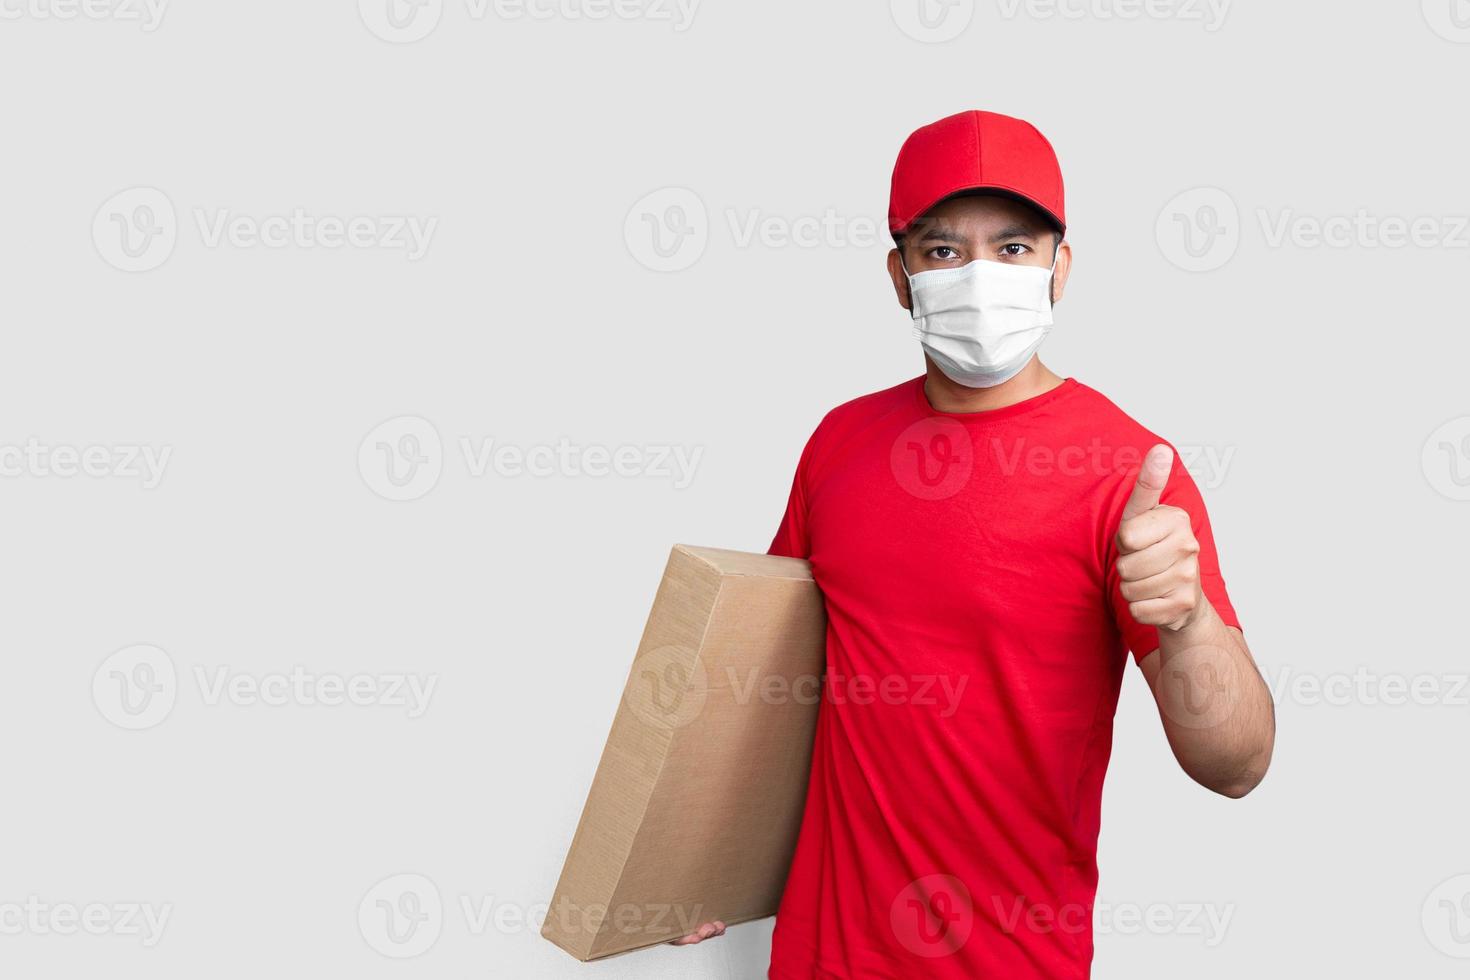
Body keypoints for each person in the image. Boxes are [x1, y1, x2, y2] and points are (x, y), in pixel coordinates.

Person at [675, 109, 1275, 979]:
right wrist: (705, 867)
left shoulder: (1130, 473)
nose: (981, 276)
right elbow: (775, 682)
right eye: (944, 250)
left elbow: (1238, 765)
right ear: (899, 274)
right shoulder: (838, 442)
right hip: (820, 959)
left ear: (1061, 269)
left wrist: (1185, 623)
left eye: (1016, 248)